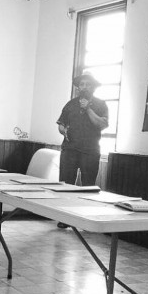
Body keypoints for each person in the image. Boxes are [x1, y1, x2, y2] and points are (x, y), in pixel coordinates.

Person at [56, 72, 108, 228]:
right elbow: (60, 124)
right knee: (65, 185)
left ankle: (85, 220)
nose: (84, 87)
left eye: (88, 84)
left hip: (90, 151)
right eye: (82, 84)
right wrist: (63, 130)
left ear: (93, 87)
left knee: (88, 186)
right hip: (69, 149)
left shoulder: (101, 104)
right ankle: (64, 218)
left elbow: (102, 124)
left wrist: (88, 109)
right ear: (78, 87)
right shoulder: (70, 104)